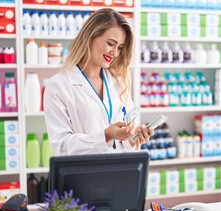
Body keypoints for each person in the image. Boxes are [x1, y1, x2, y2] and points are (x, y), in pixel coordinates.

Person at [44, 8, 154, 156]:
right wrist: (106, 135)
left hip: (118, 172)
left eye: (120, 47)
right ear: (90, 37)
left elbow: (121, 145)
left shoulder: (119, 83)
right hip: (82, 175)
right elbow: (62, 146)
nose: (115, 53)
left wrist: (132, 139)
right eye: (110, 43)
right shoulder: (58, 86)